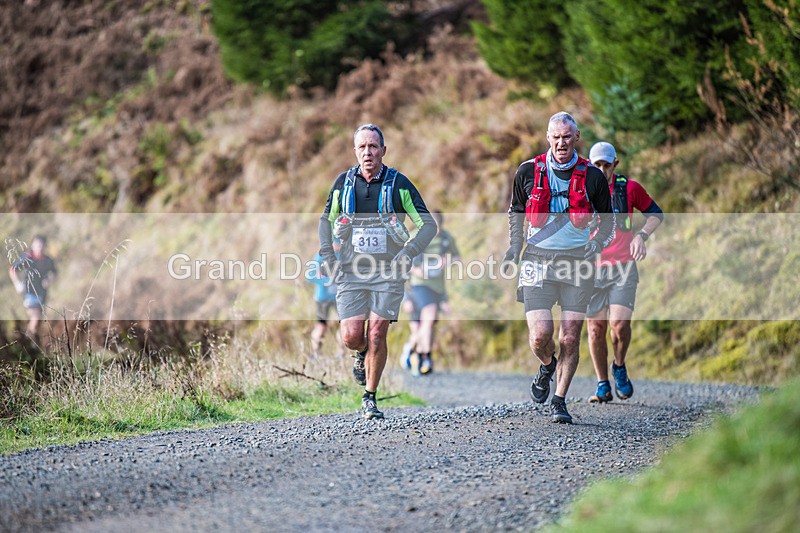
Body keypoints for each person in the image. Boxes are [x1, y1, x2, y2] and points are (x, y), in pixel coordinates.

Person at [319, 123, 437, 419]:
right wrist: (326, 255)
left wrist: (408, 252)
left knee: (376, 332)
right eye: (362, 147)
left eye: (373, 146)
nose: (368, 152)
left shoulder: (399, 184)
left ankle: (369, 397)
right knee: (351, 336)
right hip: (350, 271)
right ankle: (360, 355)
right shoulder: (344, 183)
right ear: (355, 151)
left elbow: (428, 224)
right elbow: (324, 221)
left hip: (389, 271)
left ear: (383, 150)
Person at [503, 112, 615, 424]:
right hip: (536, 259)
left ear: (577, 137)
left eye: (567, 137)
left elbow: (608, 221)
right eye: (556, 137)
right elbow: (515, 211)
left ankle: (559, 399)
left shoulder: (592, 176)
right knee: (541, 336)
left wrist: (596, 245)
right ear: (548, 138)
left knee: (569, 336)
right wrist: (514, 247)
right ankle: (547, 366)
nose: (561, 142)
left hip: (578, 262)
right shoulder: (528, 171)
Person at [585, 141, 664, 403]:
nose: (602, 169)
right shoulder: (581, 192)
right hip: (590, 270)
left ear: (615, 164)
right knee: (596, 329)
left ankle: (618, 365)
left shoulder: (629, 188)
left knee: (619, 326)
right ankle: (602, 384)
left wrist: (641, 236)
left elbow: (656, 214)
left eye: (607, 165)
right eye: (597, 165)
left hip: (623, 267)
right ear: (589, 165)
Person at [400, 212, 461, 375]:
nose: (436, 231)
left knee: (428, 324)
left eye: (438, 227)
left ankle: (413, 349)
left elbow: (457, 257)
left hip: (438, 286)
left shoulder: (446, 238)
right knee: (429, 314)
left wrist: (449, 261)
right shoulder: (414, 236)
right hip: (417, 285)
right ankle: (424, 356)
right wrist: (416, 270)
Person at [9, 235, 57, 341]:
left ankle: (29, 341)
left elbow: (54, 272)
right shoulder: (27, 257)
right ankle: (28, 341)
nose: (39, 247)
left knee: (38, 320)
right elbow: (13, 270)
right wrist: (18, 284)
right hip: (29, 292)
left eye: (41, 245)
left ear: (44, 246)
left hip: (42, 293)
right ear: (32, 245)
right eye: (36, 244)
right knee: (35, 318)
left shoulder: (48, 260)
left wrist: (48, 280)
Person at [306, 240, 343, 356]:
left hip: (339, 297)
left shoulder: (344, 255)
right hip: (323, 298)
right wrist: (328, 280)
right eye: (336, 243)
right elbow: (310, 275)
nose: (338, 246)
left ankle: (341, 353)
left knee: (344, 325)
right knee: (322, 326)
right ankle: (316, 354)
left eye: (340, 243)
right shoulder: (321, 256)